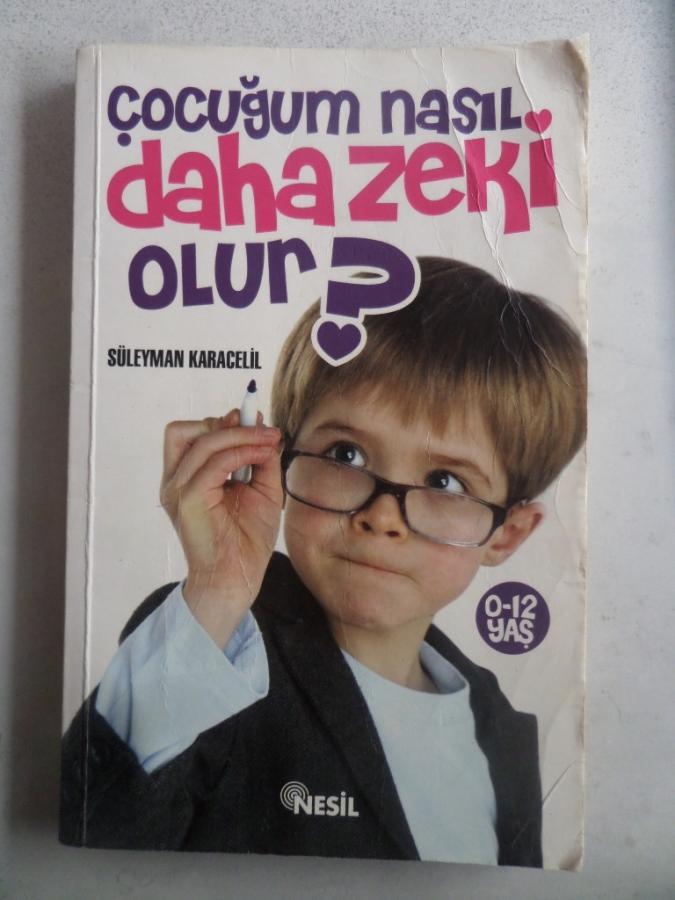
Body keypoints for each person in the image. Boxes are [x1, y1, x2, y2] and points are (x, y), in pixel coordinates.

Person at [60, 257, 586, 866]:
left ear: (507, 534)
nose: (382, 518)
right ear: (276, 460)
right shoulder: (211, 638)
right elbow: (90, 832)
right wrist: (217, 588)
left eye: (445, 481)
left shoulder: (502, 730)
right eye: (345, 454)